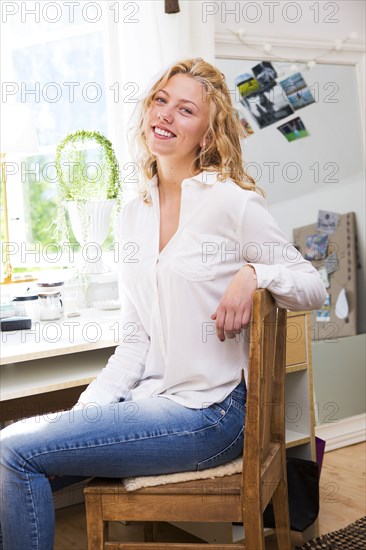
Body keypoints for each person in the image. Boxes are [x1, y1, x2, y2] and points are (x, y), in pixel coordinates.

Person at [0, 58, 326, 550]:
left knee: (11, 453)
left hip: (210, 415)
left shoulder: (232, 203)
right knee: (12, 460)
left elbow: (313, 285)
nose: (166, 115)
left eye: (186, 109)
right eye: (160, 100)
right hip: (149, 402)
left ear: (208, 134)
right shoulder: (133, 215)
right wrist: (82, 418)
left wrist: (255, 272)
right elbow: (135, 342)